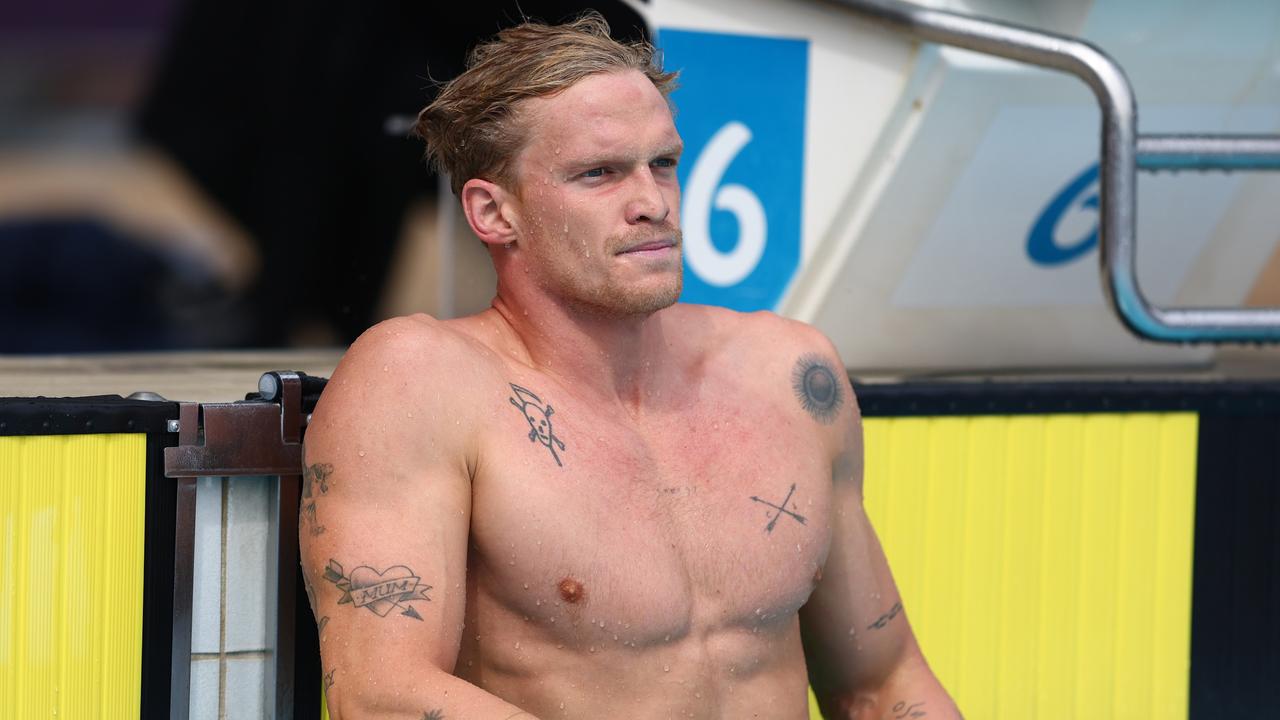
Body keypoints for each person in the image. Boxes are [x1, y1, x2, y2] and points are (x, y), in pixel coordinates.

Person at [301, 13, 961, 719]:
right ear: (495, 213)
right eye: (600, 174)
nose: (652, 203)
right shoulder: (422, 382)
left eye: (664, 164)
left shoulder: (788, 373)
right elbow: (382, 696)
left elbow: (882, 684)